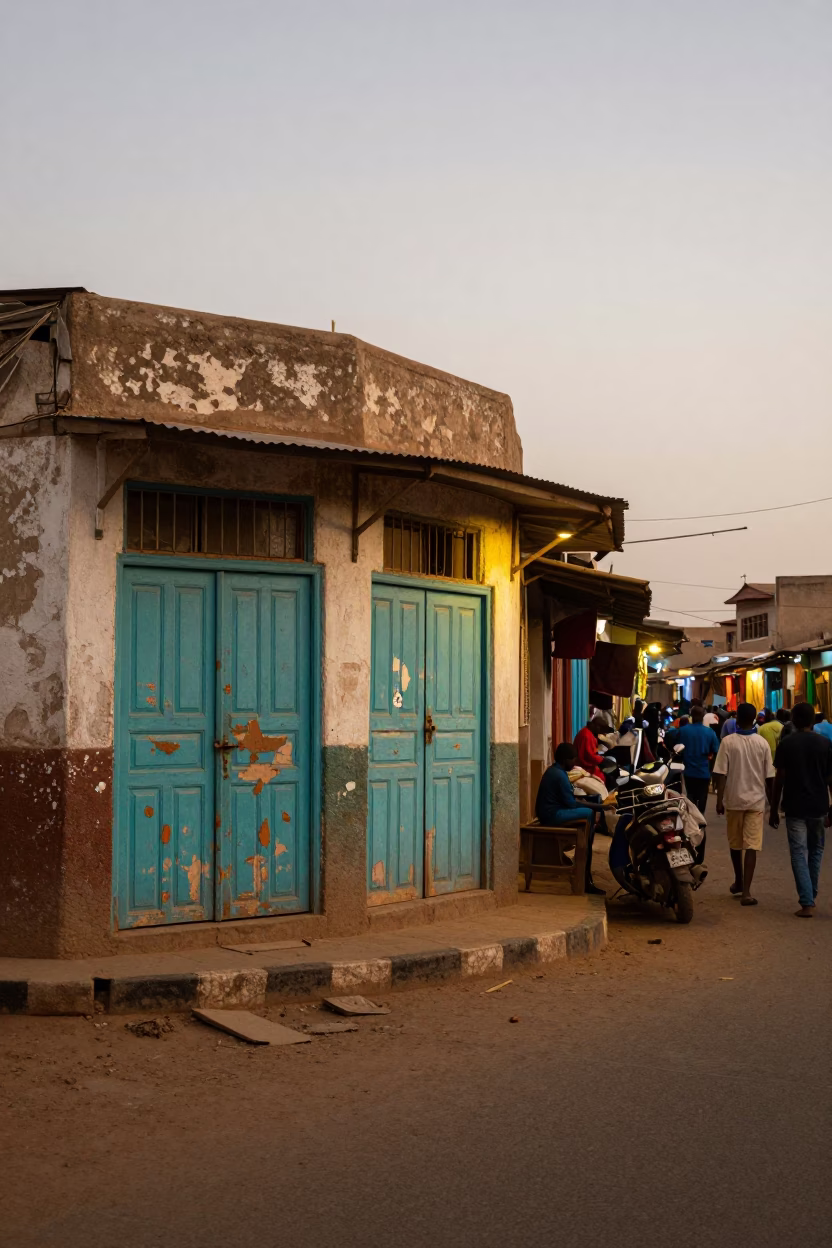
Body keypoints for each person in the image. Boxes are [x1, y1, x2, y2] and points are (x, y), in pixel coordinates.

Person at [770, 702, 832, 918]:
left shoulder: (787, 744)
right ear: (813, 721)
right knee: (816, 851)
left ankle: (807, 901)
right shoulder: (825, 744)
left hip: (794, 806)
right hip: (819, 806)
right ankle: (809, 896)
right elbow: (831, 779)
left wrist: (773, 808)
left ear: (794, 720)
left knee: (798, 853)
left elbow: (780, 779)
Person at [713, 702, 775, 906]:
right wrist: (773, 805)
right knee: (752, 846)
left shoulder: (728, 742)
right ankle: (746, 891)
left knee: (735, 843)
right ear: (755, 720)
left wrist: (720, 799)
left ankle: (739, 880)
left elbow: (720, 773)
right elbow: (769, 778)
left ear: (736, 719)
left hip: (734, 799)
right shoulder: (762, 743)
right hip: (756, 801)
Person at [535, 741, 605, 895]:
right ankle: (586, 846)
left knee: (588, 809)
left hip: (552, 812)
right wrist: (598, 808)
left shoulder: (554, 771)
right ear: (565, 759)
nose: (574, 763)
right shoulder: (559, 775)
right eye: (573, 759)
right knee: (588, 813)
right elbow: (571, 804)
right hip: (552, 815)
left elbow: (570, 800)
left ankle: (587, 842)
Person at [678, 706, 721, 814]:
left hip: (688, 772)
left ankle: (691, 822)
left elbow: (675, 746)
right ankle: (700, 823)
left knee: (690, 797)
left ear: (691, 716)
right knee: (702, 800)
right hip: (704, 772)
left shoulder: (683, 731)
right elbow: (716, 750)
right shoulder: (710, 732)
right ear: (703, 717)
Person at [573, 716, 608, 781]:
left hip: (587, 765)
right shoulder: (586, 735)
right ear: (597, 727)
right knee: (600, 777)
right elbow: (589, 755)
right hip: (583, 766)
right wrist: (601, 760)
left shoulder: (588, 733)